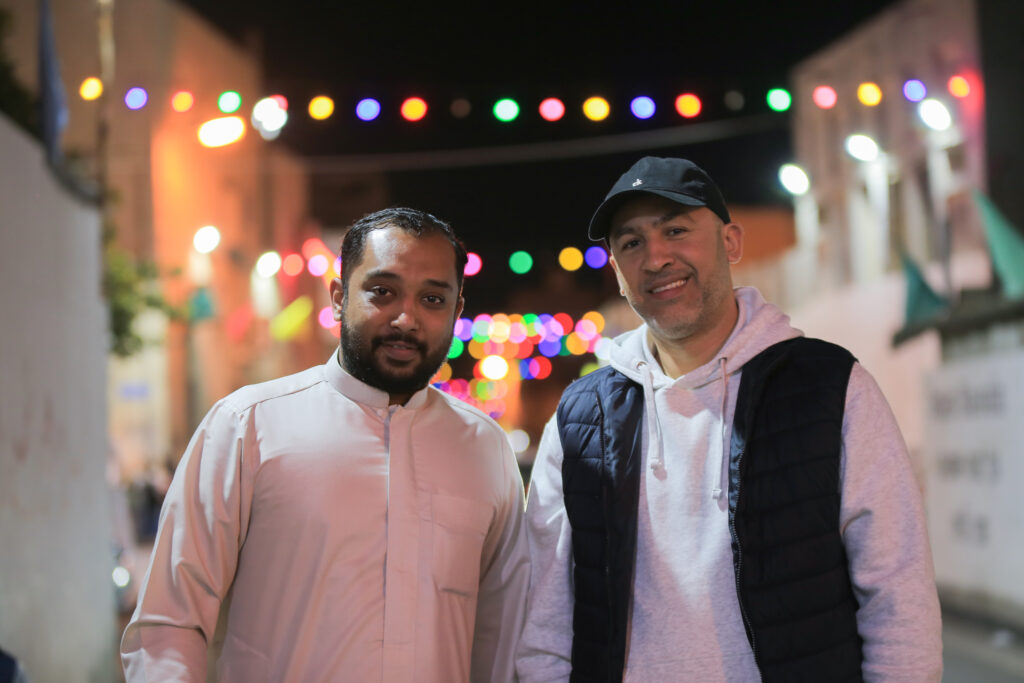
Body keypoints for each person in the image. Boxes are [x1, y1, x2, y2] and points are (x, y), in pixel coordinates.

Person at [515, 157, 942, 681]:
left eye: (676, 231)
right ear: (618, 273)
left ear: (731, 242)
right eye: (631, 243)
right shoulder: (581, 418)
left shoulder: (829, 386)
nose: (656, 257)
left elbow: (898, 592)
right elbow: (545, 620)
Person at [122, 207, 530, 682]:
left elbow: (503, 634)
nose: (406, 319)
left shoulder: (483, 449)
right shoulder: (247, 426)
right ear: (339, 298)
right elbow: (170, 624)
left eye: (432, 299)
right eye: (383, 292)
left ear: (457, 312)